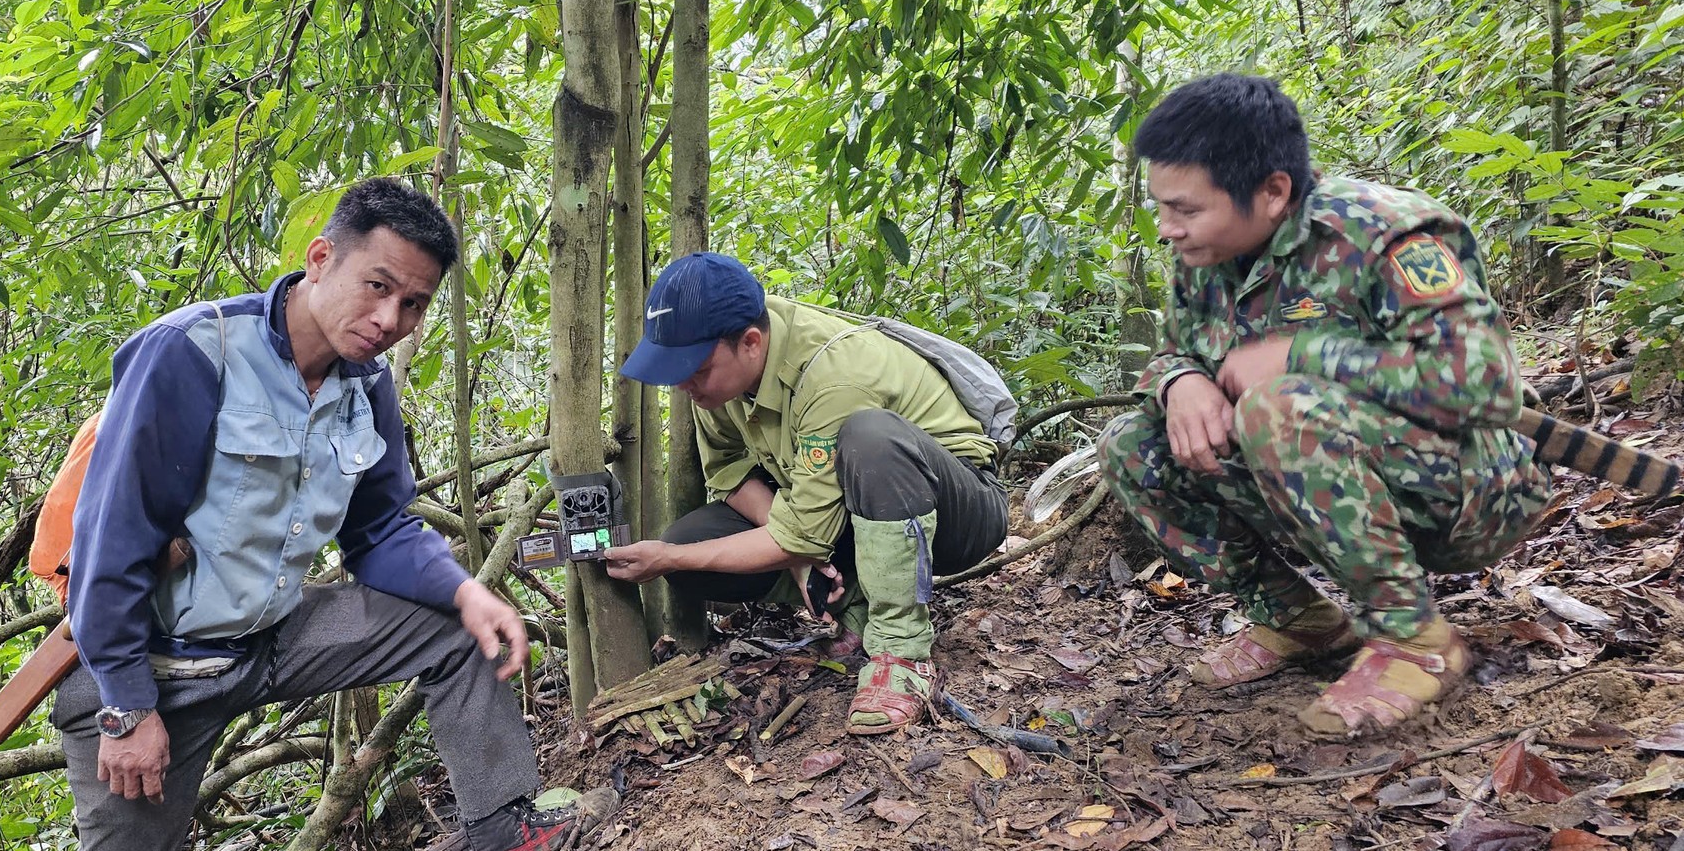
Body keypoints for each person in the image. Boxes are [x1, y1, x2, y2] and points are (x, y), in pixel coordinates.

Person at [51, 179, 570, 851]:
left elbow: (379, 530)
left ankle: (505, 834)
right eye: (378, 286)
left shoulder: (365, 386)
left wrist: (464, 591)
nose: (390, 319)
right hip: (151, 668)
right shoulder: (190, 357)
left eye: (413, 304)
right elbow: (107, 546)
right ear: (321, 260)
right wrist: (125, 705)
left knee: (448, 626)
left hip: (273, 634)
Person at [1098, 74, 1549, 738]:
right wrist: (1178, 384)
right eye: (1162, 207)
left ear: (1273, 190)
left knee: (1275, 404)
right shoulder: (1206, 257)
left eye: (1185, 209)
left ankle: (1415, 638)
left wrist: (1304, 355)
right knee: (1130, 445)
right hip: (1326, 483)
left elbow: (1487, 384)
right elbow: (1178, 351)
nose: (1167, 228)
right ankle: (1300, 621)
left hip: (1467, 496)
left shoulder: (1383, 233)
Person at [601, 253, 1008, 734]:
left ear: (751, 343)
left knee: (870, 436)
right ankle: (858, 604)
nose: (684, 384)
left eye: (695, 370)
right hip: (841, 507)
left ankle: (902, 651)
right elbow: (730, 470)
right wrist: (793, 554)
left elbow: (805, 528)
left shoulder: (832, 373)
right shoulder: (720, 376)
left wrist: (672, 557)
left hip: (956, 509)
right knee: (695, 540)